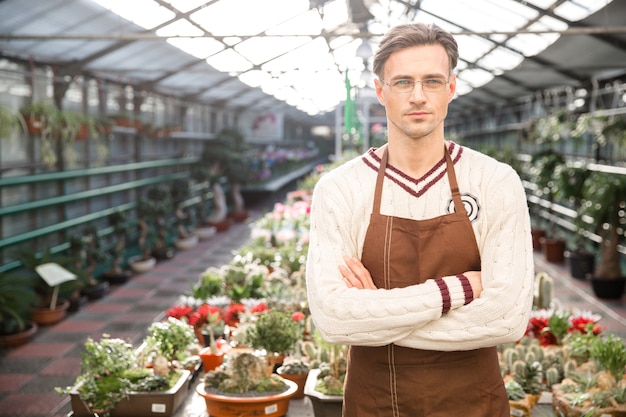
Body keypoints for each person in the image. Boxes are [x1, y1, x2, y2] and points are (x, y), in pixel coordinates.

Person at [305, 22, 534, 417]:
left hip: (473, 405)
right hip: (374, 404)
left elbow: (507, 319)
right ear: (380, 91)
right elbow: (335, 320)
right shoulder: (341, 189)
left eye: (431, 81)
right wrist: (458, 290)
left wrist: (376, 314)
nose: (417, 96)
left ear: (451, 88)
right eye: (402, 82)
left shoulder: (494, 181)